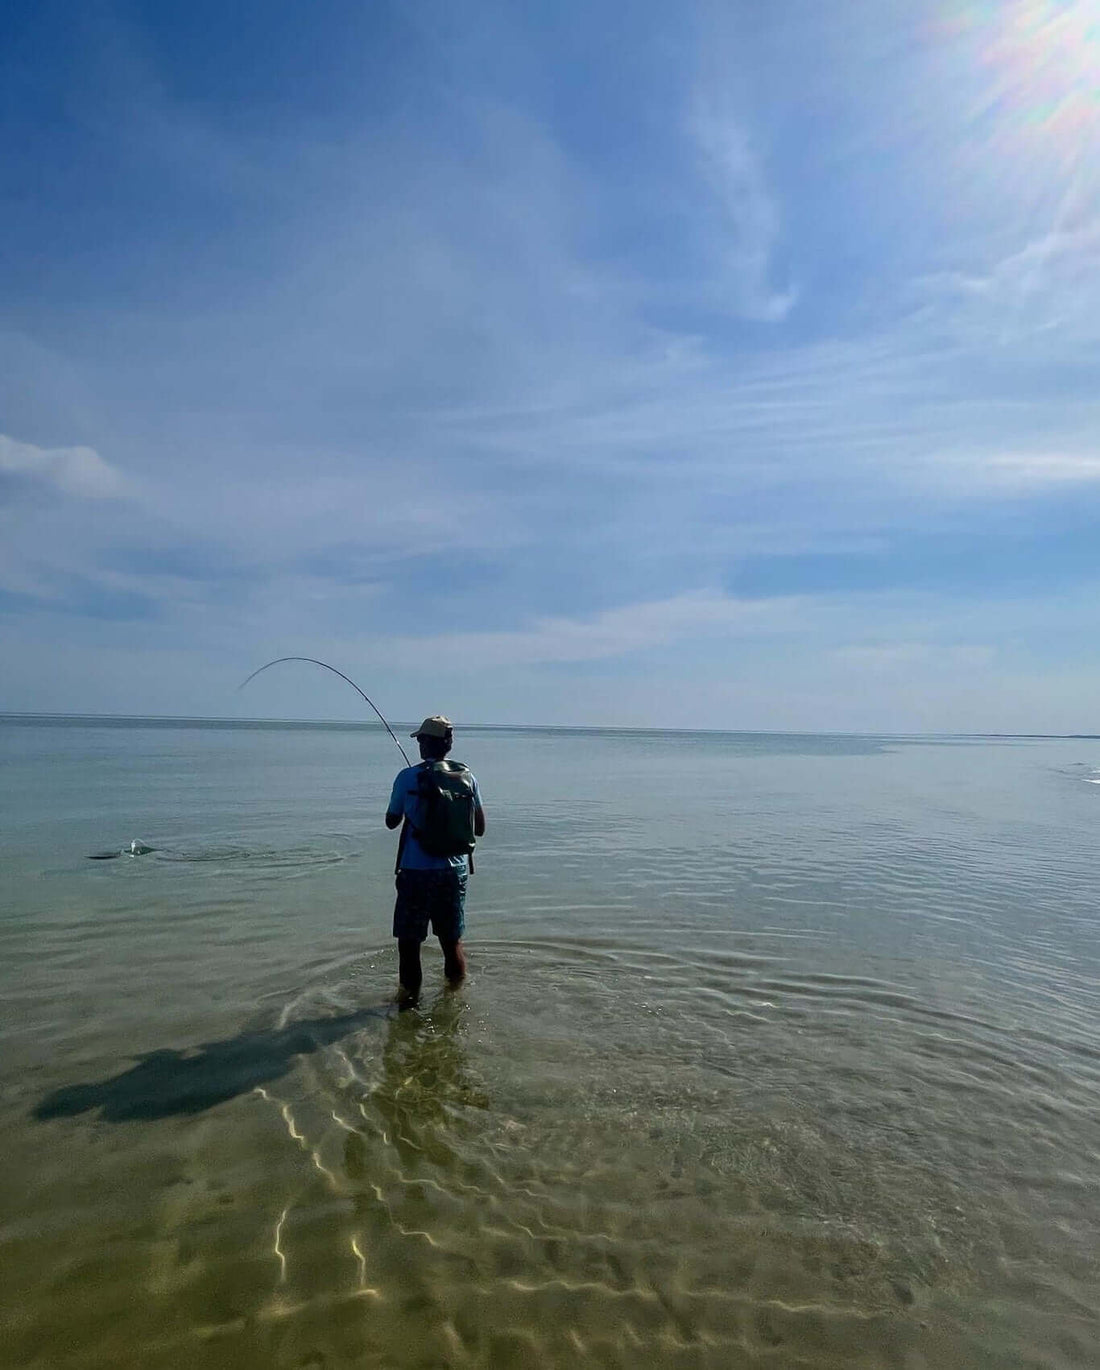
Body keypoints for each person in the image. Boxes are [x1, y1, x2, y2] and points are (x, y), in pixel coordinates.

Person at [385, 715, 486, 1003]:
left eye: (420, 740)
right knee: (451, 942)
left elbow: (391, 821)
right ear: (448, 744)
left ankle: (408, 1008)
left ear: (426, 742)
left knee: (409, 944)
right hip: (455, 872)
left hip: (416, 871)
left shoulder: (407, 777)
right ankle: (453, 1001)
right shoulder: (468, 776)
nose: (418, 744)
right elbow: (479, 828)